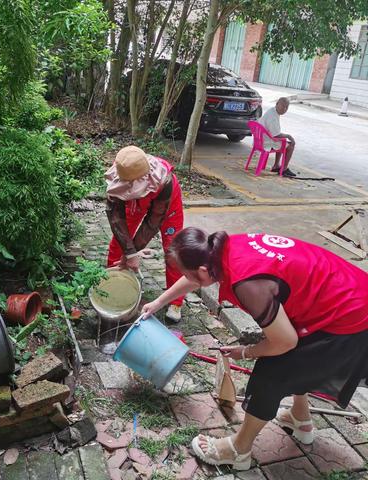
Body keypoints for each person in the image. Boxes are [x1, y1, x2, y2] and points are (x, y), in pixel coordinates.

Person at [142, 227, 368, 470]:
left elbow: (284, 342)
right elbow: (195, 276)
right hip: (349, 291)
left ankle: (238, 451)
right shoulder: (221, 248)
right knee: (295, 358)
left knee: (272, 371)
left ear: (203, 270)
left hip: (351, 317)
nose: (189, 278)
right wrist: (157, 303)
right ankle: (300, 419)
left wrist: (247, 352)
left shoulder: (247, 283)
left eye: (188, 273)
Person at [105, 145, 185, 322]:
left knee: (173, 250)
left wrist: (133, 253)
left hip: (167, 207)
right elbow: (116, 218)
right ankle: (112, 283)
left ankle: (175, 301)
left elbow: (153, 222)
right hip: (132, 204)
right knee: (119, 243)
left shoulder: (165, 181)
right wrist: (129, 252)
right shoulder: (122, 172)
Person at [258, 97, 296, 177]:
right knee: (291, 145)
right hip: (265, 143)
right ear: (277, 104)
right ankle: (284, 169)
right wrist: (289, 136)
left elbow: (275, 134)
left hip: (261, 140)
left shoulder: (272, 111)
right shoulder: (273, 116)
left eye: (286, 107)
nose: (284, 109)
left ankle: (276, 165)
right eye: (283, 106)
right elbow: (276, 135)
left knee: (282, 140)